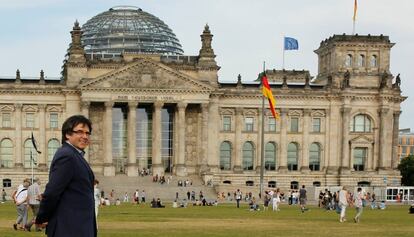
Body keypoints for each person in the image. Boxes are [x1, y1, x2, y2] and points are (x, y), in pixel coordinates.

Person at [35, 115, 97, 237]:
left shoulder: (75, 155)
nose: (85, 136)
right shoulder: (67, 156)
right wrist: (42, 218)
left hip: (77, 226)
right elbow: (52, 192)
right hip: (69, 228)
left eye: (87, 133)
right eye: (80, 132)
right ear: (68, 134)